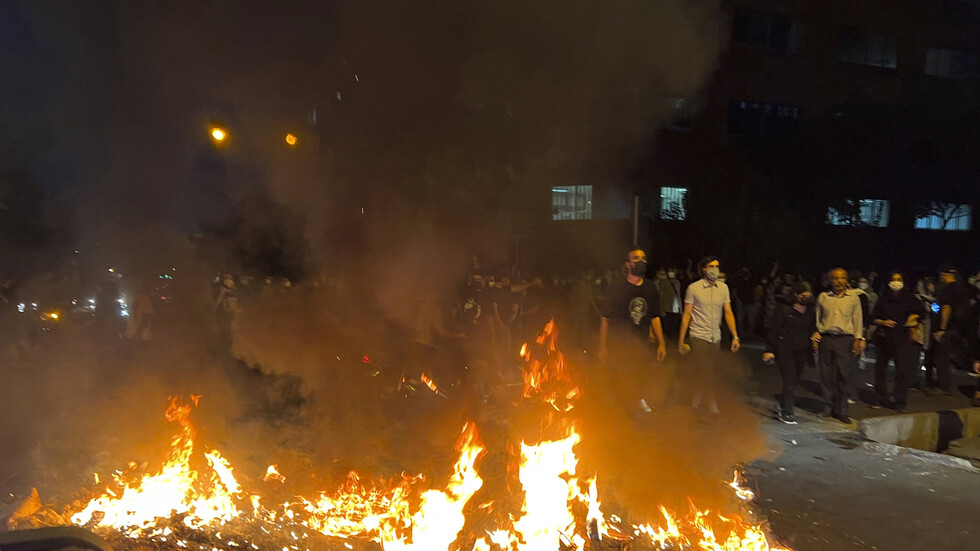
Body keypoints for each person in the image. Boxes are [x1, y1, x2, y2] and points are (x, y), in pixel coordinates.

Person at [598, 248, 667, 413]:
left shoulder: (651, 287)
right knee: (622, 377)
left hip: (641, 341)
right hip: (620, 341)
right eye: (636, 258)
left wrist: (661, 343)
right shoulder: (616, 288)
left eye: (643, 258)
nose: (641, 261)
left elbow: (655, 317)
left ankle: (637, 402)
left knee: (640, 373)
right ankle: (623, 410)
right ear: (628, 264)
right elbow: (605, 319)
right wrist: (602, 347)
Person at [677, 256, 741, 415]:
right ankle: (708, 403)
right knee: (705, 370)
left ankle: (697, 400)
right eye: (711, 266)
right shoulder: (694, 288)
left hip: (715, 337)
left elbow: (728, 313)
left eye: (717, 266)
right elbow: (686, 315)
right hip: (699, 336)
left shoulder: (723, 288)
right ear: (704, 269)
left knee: (711, 370)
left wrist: (735, 336)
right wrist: (681, 340)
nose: (715, 269)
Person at [812, 267, 865, 423]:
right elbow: (818, 318)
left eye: (842, 278)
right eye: (835, 278)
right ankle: (828, 406)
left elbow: (858, 319)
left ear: (846, 280)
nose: (839, 281)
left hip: (844, 340)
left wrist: (858, 339)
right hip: (826, 339)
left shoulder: (853, 298)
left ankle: (841, 410)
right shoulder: (823, 297)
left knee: (843, 375)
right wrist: (816, 334)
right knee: (825, 374)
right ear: (830, 280)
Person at [870, 272, 925, 412]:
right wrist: (883, 322)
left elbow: (922, 312)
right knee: (880, 370)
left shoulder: (910, 297)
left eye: (899, 279)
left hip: (903, 338)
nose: (896, 282)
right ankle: (880, 398)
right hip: (884, 338)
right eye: (893, 279)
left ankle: (900, 401)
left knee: (902, 371)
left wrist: (913, 317)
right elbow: (873, 318)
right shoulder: (883, 298)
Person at [763, 282, 816, 424]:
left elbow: (812, 327)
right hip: (785, 349)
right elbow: (774, 329)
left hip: (802, 350)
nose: (807, 298)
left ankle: (784, 405)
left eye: (809, 295)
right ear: (796, 295)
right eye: (804, 295)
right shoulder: (785, 309)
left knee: (795, 379)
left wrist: (815, 335)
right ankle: (787, 411)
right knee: (790, 378)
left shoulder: (811, 310)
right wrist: (769, 350)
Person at [930, 264, 974, 397]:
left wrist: (942, 329)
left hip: (947, 328)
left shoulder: (947, 289)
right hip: (959, 328)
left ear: (944, 274)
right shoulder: (963, 289)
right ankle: (945, 385)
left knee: (940, 358)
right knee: (948, 357)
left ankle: (944, 387)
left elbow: (946, 309)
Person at [655, 268, 682, 338]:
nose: (671, 273)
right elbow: (660, 296)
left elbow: (678, 296)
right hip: (666, 309)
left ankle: (671, 344)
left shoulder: (677, 282)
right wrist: (661, 309)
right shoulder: (664, 282)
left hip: (675, 309)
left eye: (673, 271)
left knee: (673, 329)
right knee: (666, 329)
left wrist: (680, 310)